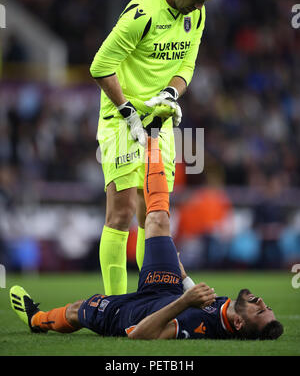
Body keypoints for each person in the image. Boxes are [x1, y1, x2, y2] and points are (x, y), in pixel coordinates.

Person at [10, 120, 283, 340]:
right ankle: (152, 138)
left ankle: (36, 320)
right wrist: (181, 272)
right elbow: (194, 294)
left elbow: (139, 334)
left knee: (77, 310)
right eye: (266, 307)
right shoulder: (224, 308)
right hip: (169, 287)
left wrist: (184, 301)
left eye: (260, 312)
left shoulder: (198, 326)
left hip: (139, 313)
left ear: (238, 323)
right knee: (159, 220)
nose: (262, 303)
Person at [89, 0, 228, 295]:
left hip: (160, 123)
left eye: (205, 3)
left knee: (154, 217)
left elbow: (187, 64)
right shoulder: (142, 14)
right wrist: (128, 112)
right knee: (120, 215)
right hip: (121, 120)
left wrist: (170, 93)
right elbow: (100, 67)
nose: (198, 8)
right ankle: (114, 306)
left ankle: (151, 298)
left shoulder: (196, 14)